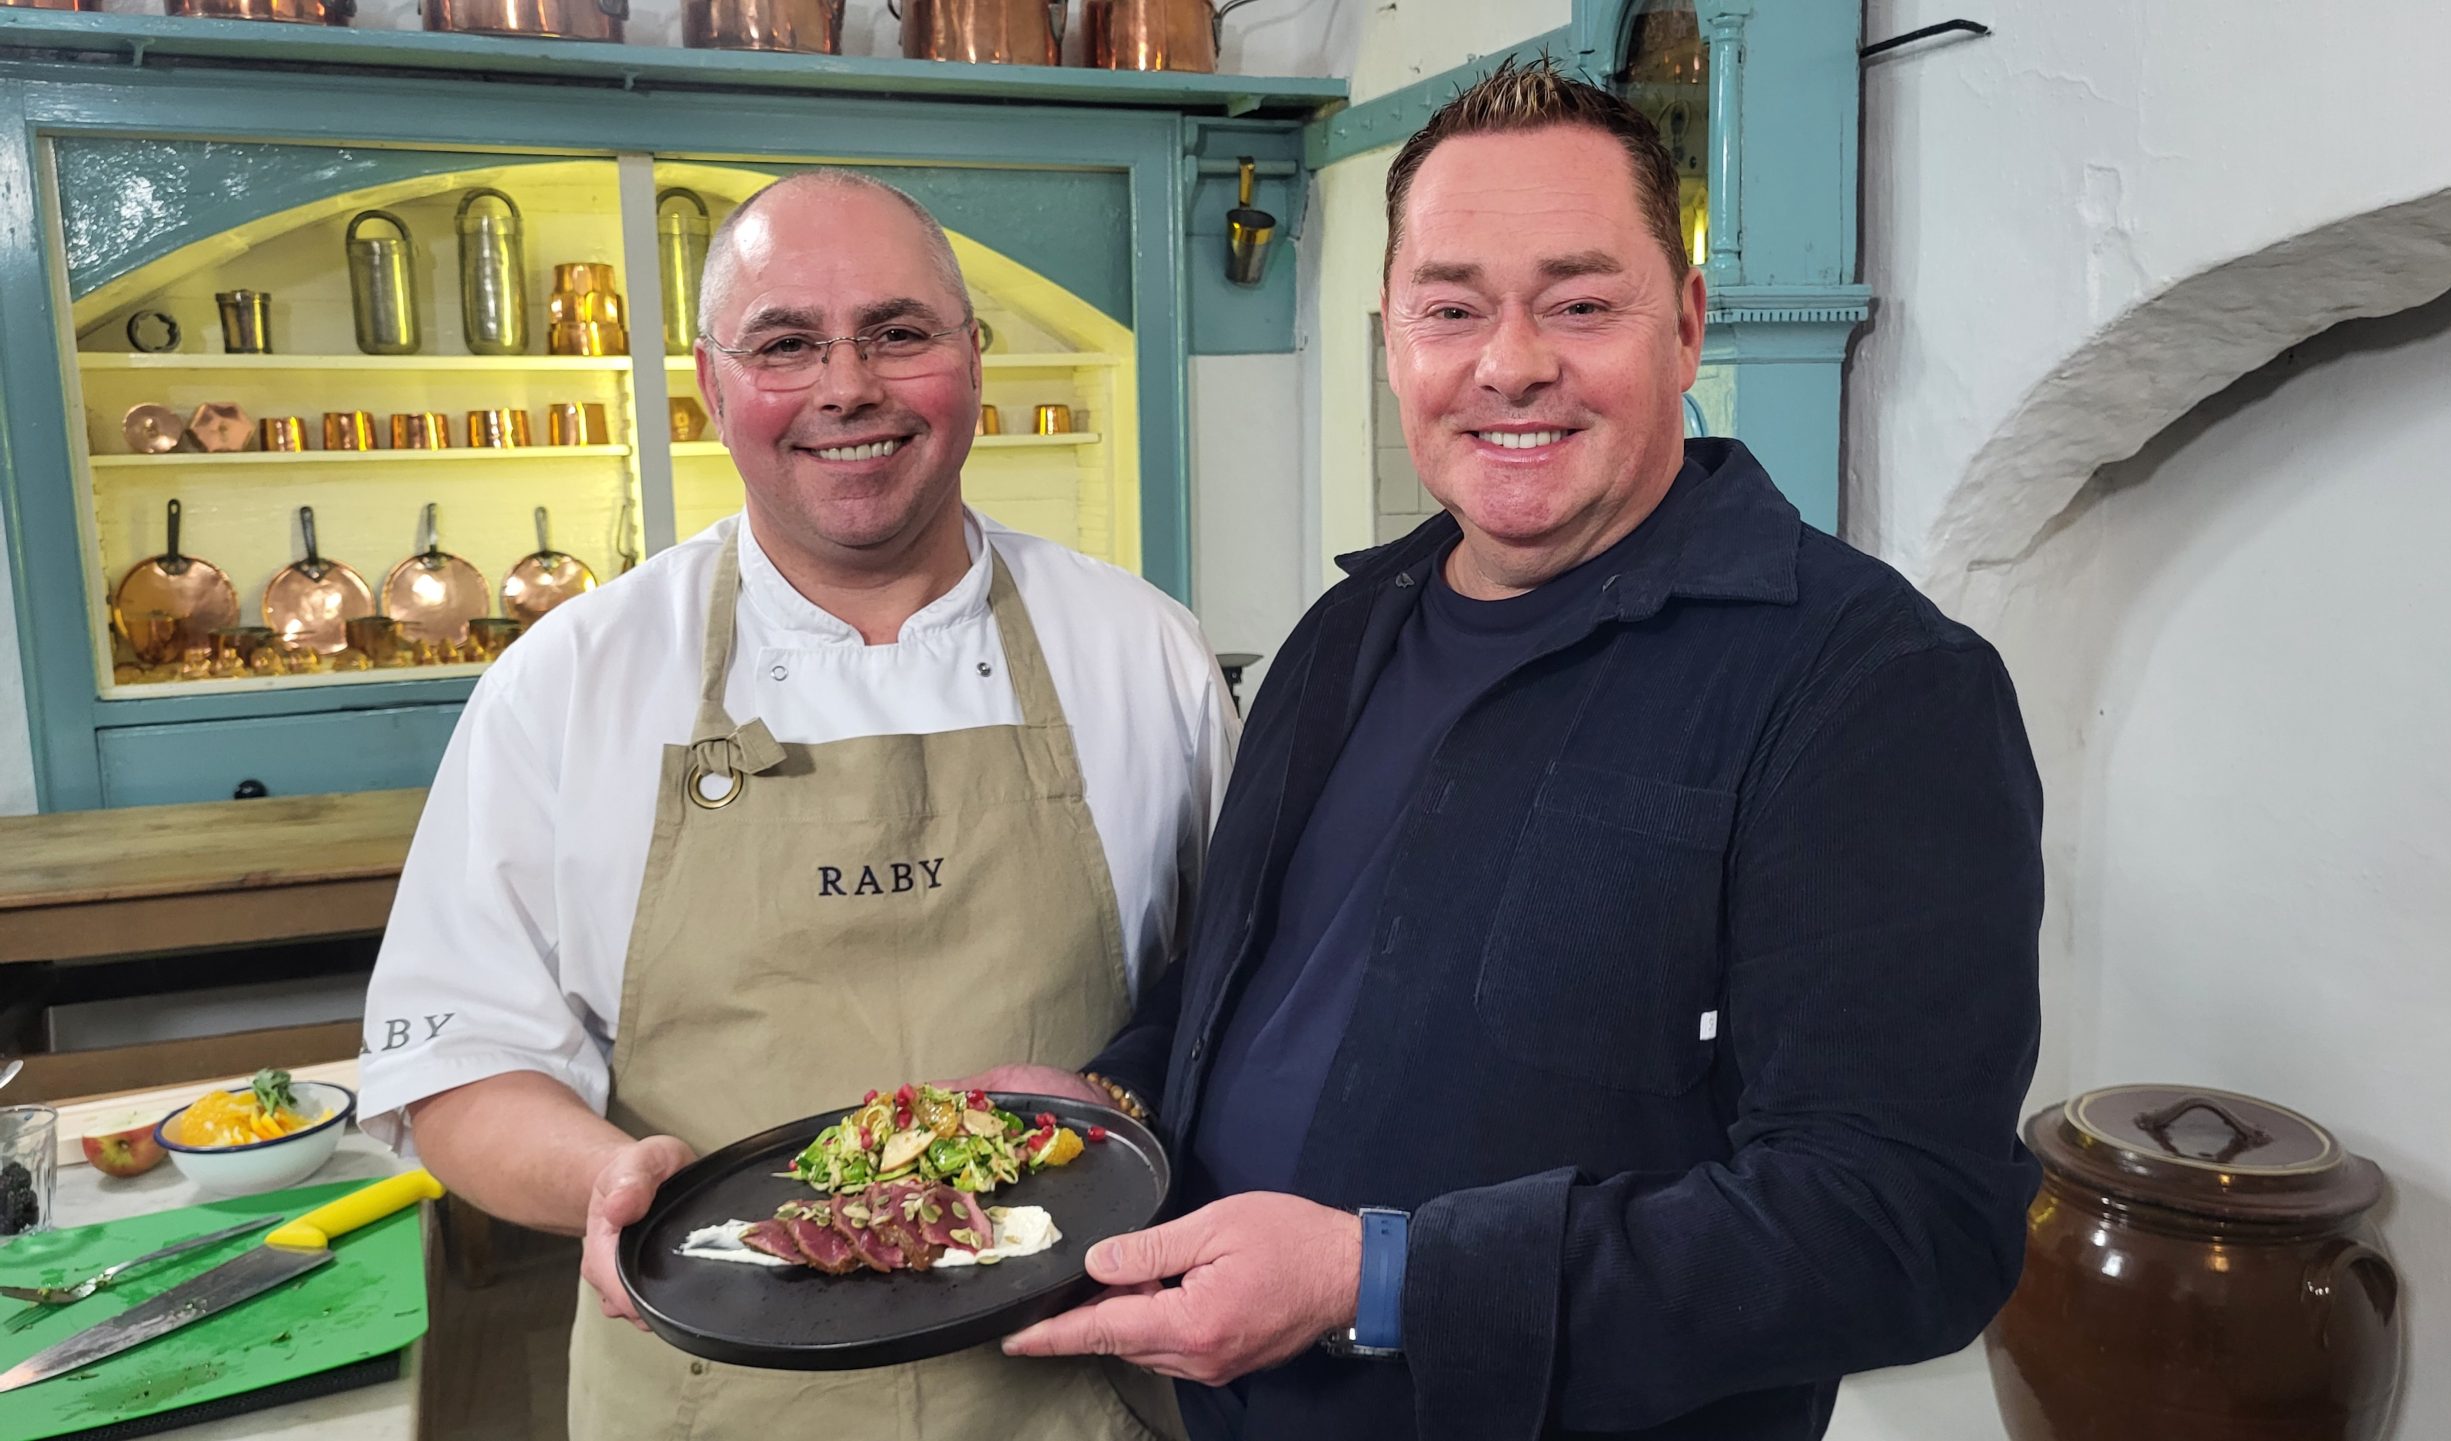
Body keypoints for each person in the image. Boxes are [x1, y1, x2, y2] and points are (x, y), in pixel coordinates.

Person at [1002, 59, 2046, 1440]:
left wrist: (1375, 1279)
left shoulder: (1867, 685)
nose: (1510, 362)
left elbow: (1906, 1225)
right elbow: (1264, 972)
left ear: (1684, 322)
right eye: (1452, 309)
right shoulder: (1345, 628)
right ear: (1392, 341)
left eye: (1579, 303)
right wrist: (1119, 1087)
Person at [356, 169, 1229, 1441]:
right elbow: (454, 1064)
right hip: (716, 1395)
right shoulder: (571, 681)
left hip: (1076, 1383)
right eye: (784, 344)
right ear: (712, 388)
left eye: (898, 331)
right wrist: (607, 1175)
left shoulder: (1141, 653)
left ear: (973, 358)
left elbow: (1240, 1002)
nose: (845, 388)